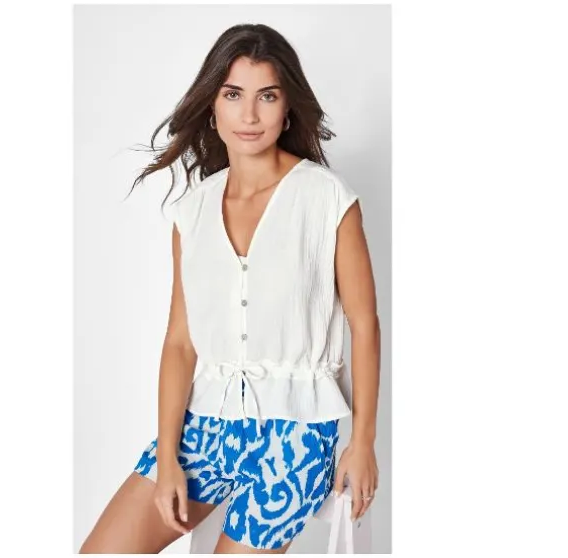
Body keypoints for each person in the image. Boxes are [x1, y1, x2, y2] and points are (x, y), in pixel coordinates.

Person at [80, 23, 380, 554]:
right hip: (204, 429)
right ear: (212, 106)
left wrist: (362, 442)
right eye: (234, 94)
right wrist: (167, 457)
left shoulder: (327, 199)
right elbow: (180, 343)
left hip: (295, 439)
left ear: (287, 108)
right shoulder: (192, 211)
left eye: (267, 96)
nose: (250, 115)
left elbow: (364, 324)